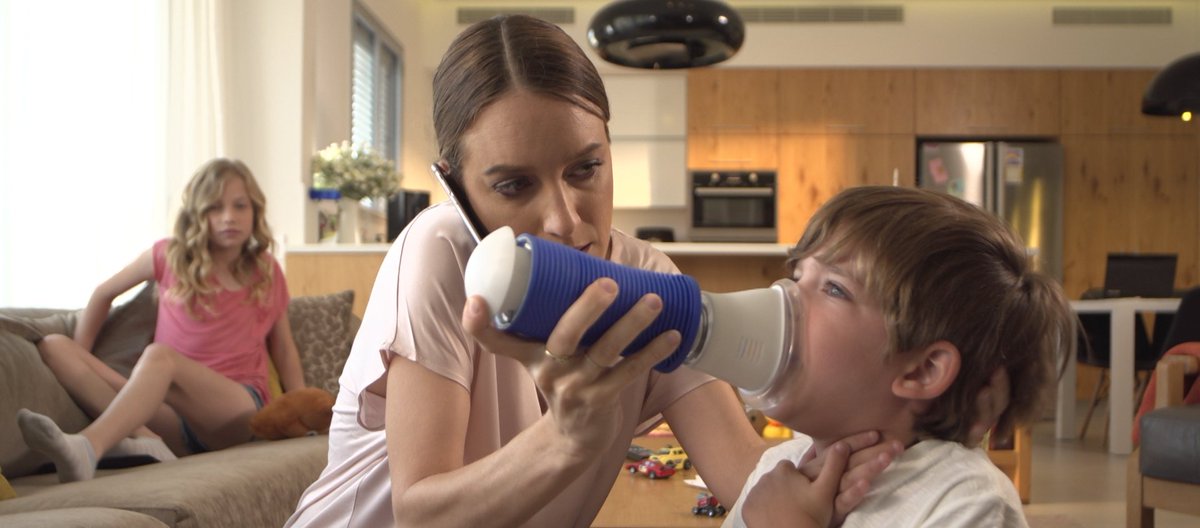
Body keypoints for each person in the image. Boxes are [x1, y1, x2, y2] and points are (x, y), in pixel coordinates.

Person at [288, 15, 1012, 528]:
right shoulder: (438, 253)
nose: (565, 221)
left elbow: (743, 472)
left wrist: (824, 471)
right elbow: (419, 514)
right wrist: (564, 440)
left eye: (585, 169)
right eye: (512, 185)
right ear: (455, 185)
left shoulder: (649, 285)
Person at [723, 186, 1075, 528]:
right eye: (797, 276)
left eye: (834, 288)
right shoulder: (779, 470)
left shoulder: (967, 500)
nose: (787, 298)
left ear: (922, 371)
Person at [18, 157, 304, 482]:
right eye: (214, 207)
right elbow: (102, 293)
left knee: (159, 356)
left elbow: (283, 349)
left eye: (240, 206)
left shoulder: (265, 270)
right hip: (167, 414)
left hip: (234, 408)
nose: (229, 217)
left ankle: (89, 446)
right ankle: (146, 438)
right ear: (197, 214)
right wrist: (84, 354)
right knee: (54, 345)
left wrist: (302, 410)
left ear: (255, 211)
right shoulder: (168, 255)